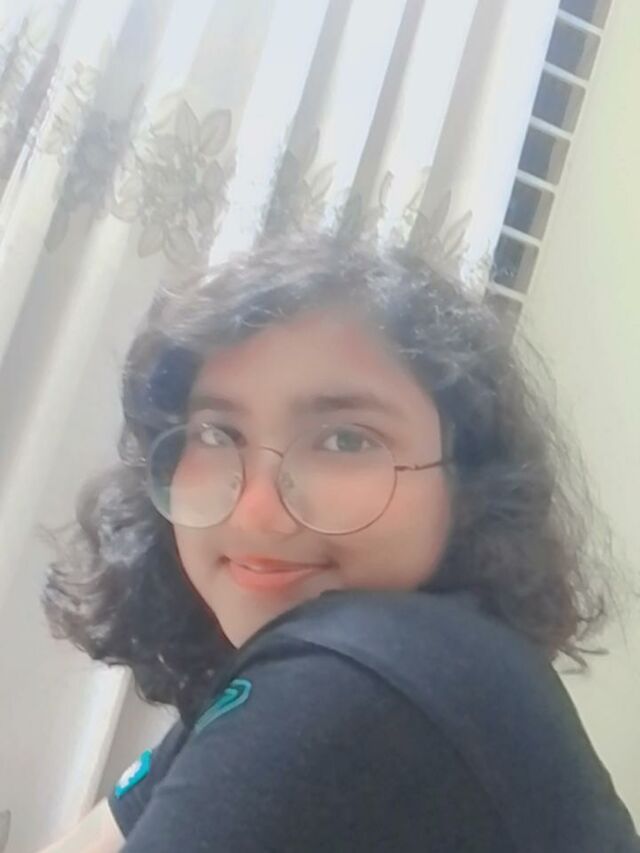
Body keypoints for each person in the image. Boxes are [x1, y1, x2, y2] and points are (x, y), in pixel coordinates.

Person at [38, 231, 639, 852]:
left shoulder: (355, 680)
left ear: (467, 479)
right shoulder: (346, 663)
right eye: (216, 435)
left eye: (346, 440)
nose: (258, 514)